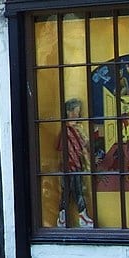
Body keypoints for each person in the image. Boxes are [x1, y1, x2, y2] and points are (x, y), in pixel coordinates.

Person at [57, 97, 94, 227]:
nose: (78, 114)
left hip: (74, 164)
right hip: (72, 166)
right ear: (69, 112)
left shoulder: (76, 128)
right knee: (76, 191)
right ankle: (81, 217)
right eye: (76, 111)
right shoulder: (68, 130)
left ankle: (63, 218)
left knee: (69, 191)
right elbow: (68, 148)